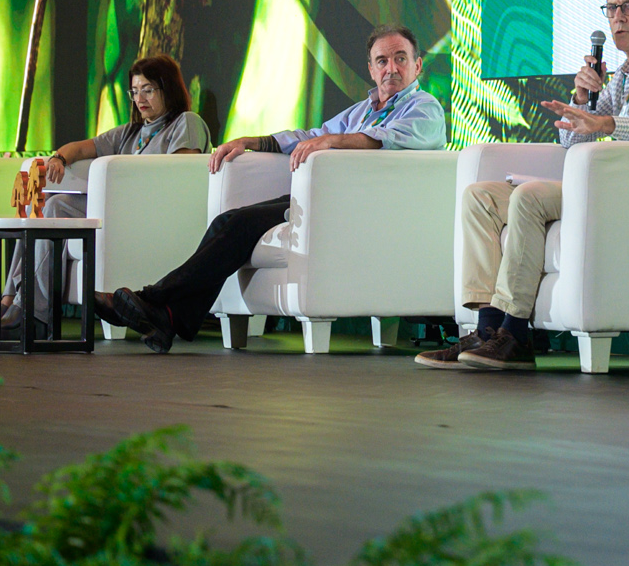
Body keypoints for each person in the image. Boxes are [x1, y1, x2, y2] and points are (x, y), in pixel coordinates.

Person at [422, 0, 629, 372]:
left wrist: (606, 123)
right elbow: (574, 144)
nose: (618, 18)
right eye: (611, 8)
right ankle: (487, 330)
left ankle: (516, 334)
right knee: (481, 197)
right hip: (614, 186)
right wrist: (582, 101)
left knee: (529, 197)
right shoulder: (623, 75)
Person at [102, 25, 446, 353]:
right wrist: (255, 141)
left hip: (366, 209)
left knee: (238, 224)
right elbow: (311, 135)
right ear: (371, 69)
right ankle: (167, 315)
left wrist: (333, 142)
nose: (391, 68)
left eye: (400, 58)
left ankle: (153, 301)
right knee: (228, 220)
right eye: (382, 61)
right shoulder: (361, 111)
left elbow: (390, 138)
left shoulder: (425, 107)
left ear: (417, 65)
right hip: (324, 200)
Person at [2, 54, 210, 331]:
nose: (140, 99)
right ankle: (14, 302)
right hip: (116, 209)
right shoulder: (130, 132)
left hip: (151, 213)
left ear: (168, 88)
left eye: (148, 90)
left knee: (56, 207)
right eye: (134, 91)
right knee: (45, 203)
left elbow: (181, 175)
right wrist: (58, 159)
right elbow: (80, 148)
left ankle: (27, 310)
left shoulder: (186, 122)